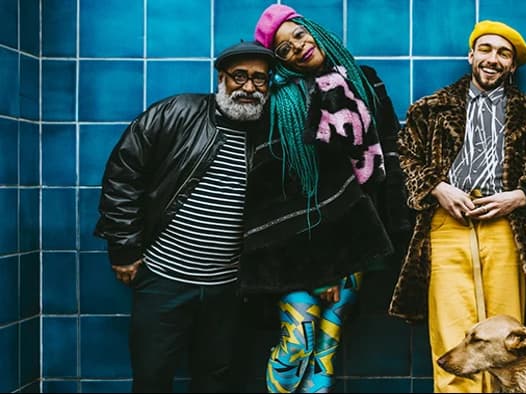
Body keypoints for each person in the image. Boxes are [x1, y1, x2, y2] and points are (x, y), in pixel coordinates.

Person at [388, 20, 526, 393]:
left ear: (513, 66)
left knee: (507, 341)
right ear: (471, 55)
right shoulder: (430, 109)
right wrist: (437, 188)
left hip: (506, 228)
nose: (493, 59)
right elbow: (402, 159)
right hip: (445, 224)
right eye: (485, 50)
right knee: (453, 339)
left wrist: (520, 196)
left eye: (503, 54)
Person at [245, 4, 410, 393]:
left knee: (325, 349)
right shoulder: (283, 102)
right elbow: (285, 190)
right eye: (283, 50)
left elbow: (389, 148)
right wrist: (324, 266)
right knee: (297, 341)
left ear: (314, 31)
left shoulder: (362, 80)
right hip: (297, 246)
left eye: (299, 36)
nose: (297, 48)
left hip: (359, 231)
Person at [94, 41, 276, 392]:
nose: (249, 87)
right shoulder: (176, 112)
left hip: (227, 288)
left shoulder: (269, 134)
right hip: (163, 281)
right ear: (221, 78)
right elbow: (124, 173)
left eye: (260, 79)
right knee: (152, 378)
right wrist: (124, 249)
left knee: (215, 380)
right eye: (240, 76)